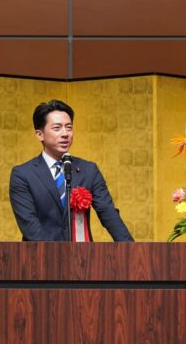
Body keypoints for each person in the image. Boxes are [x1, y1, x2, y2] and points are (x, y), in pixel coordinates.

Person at [9, 99, 133, 242]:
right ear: (39, 134)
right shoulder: (23, 174)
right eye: (57, 128)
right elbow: (30, 225)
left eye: (69, 127)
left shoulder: (89, 170)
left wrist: (132, 249)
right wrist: (56, 253)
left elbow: (108, 213)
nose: (65, 134)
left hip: (82, 254)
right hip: (40, 254)